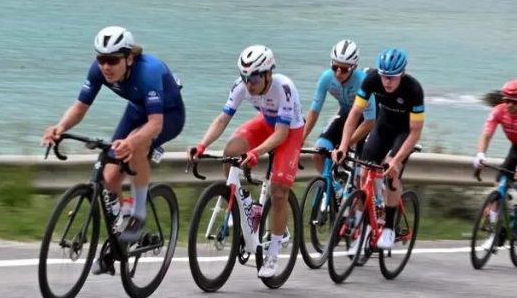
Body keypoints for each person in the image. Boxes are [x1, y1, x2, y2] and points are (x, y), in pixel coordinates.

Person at [42, 26, 185, 265]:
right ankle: (122, 224)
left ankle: (138, 215)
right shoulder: (99, 71)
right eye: (101, 59)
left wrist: (131, 141)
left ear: (129, 58)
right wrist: (60, 128)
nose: (106, 66)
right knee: (109, 176)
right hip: (137, 111)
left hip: (167, 117)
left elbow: (155, 124)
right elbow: (80, 107)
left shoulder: (148, 71)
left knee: (136, 148)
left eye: (112, 60)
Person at [187, 45, 304, 278]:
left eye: (255, 77)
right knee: (232, 149)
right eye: (245, 77)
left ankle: (273, 253)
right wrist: (202, 145)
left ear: (268, 74)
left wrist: (256, 152)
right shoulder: (242, 86)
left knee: (279, 190)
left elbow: (281, 135)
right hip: (266, 123)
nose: (249, 83)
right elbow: (222, 120)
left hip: (289, 131)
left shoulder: (284, 88)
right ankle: (245, 205)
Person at [332, 48, 424, 250]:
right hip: (383, 128)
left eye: (392, 78)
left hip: (404, 133)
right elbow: (354, 115)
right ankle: (366, 229)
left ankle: (390, 228)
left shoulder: (414, 89)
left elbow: (415, 132)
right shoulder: (371, 79)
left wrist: (396, 159)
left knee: (391, 173)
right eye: (384, 77)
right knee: (365, 173)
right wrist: (344, 145)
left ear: (402, 74)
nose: (387, 82)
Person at [473, 80, 517, 229]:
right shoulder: (499, 111)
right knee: (500, 182)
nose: (509, 105)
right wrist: (480, 154)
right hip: (516, 149)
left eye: (514, 102)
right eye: (506, 100)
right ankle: (494, 226)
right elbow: (486, 135)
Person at [302, 40, 376, 173]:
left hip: (367, 121)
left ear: (353, 67)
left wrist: (346, 144)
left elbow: (370, 121)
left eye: (344, 69)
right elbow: (314, 111)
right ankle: (333, 189)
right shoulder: (326, 78)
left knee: (361, 172)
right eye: (335, 67)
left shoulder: (363, 81)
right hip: (346, 113)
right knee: (318, 154)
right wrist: (302, 137)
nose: (338, 73)